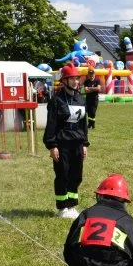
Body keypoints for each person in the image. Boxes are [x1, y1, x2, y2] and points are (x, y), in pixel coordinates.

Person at [43, 64, 89, 219]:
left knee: (76, 176)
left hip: (77, 144)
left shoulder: (80, 99)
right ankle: (62, 208)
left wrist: (84, 144)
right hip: (62, 144)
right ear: (65, 81)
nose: (76, 81)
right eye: (72, 79)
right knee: (63, 175)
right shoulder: (57, 100)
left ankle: (72, 205)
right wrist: (52, 145)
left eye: (77, 78)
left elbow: (83, 123)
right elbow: (51, 124)